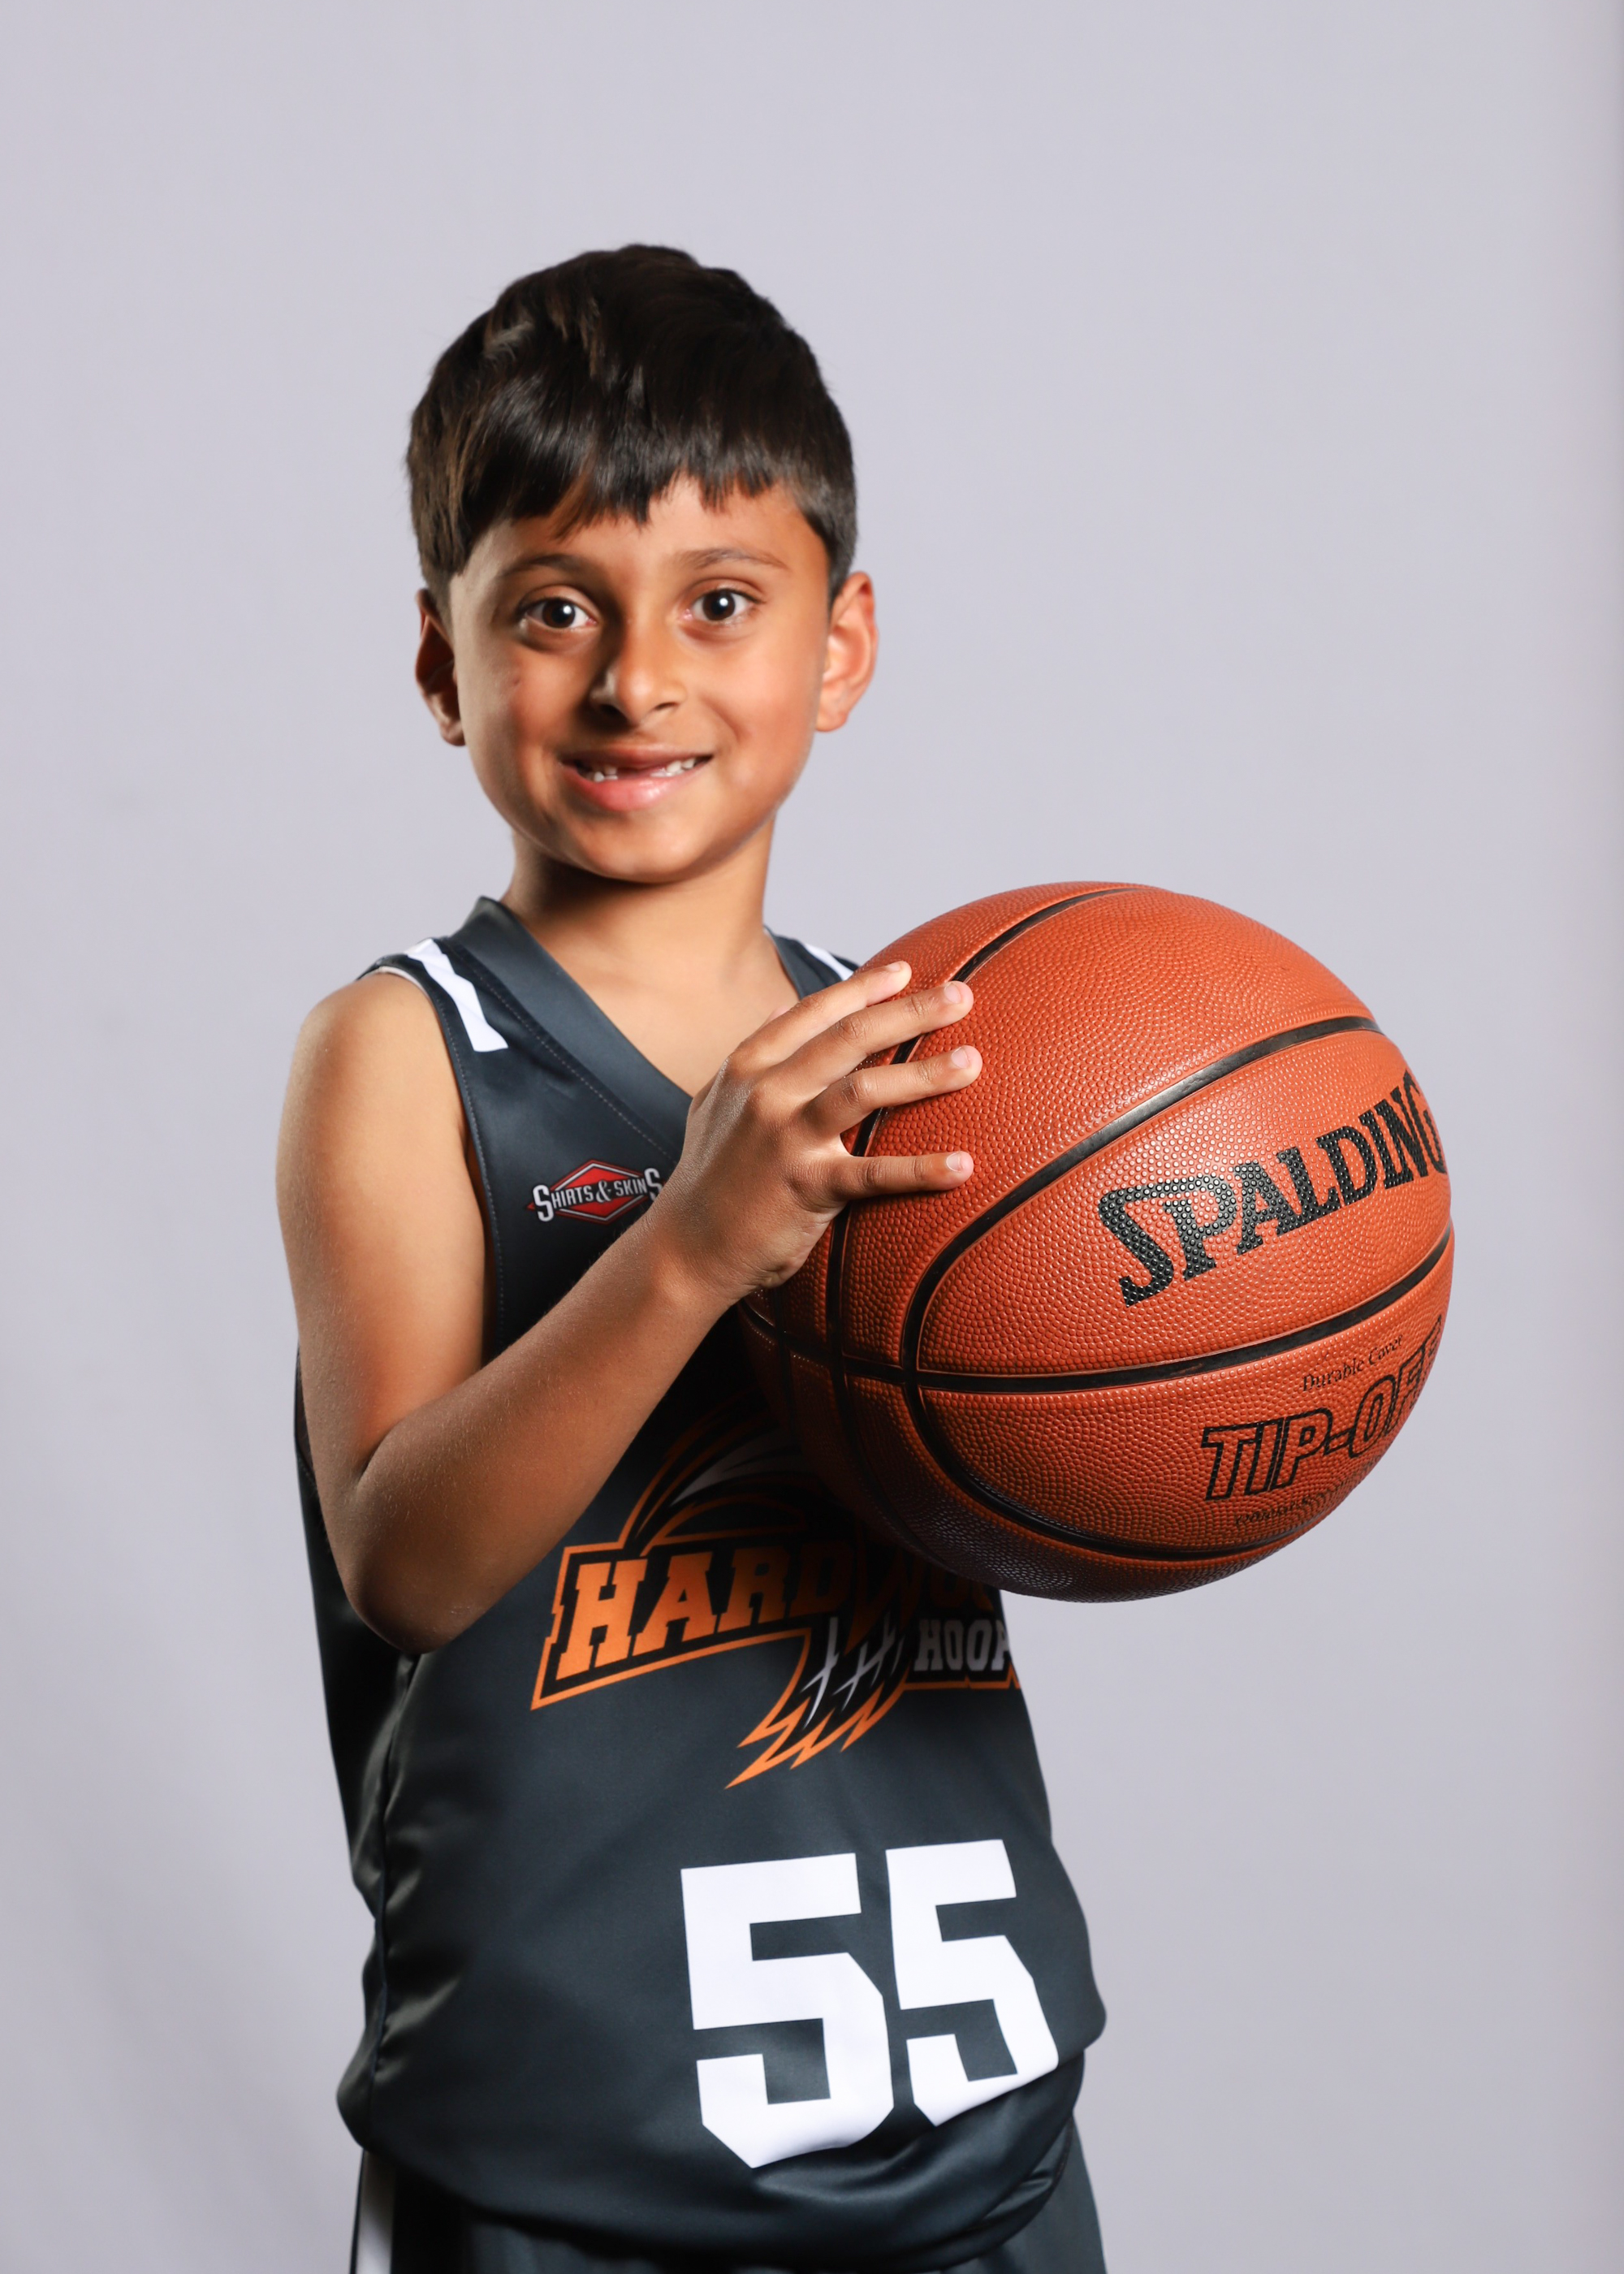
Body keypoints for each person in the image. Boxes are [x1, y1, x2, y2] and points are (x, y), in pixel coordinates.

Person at [278, 245, 1108, 2274]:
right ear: (442, 663)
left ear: (840, 644)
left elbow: (1047, 1450)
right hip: (582, 2134)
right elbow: (405, 1560)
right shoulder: (408, 1049)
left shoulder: (915, 1035)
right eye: (554, 609)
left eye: (719, 603)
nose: (636, 679)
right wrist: (691, 1243)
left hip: (965, 2087)